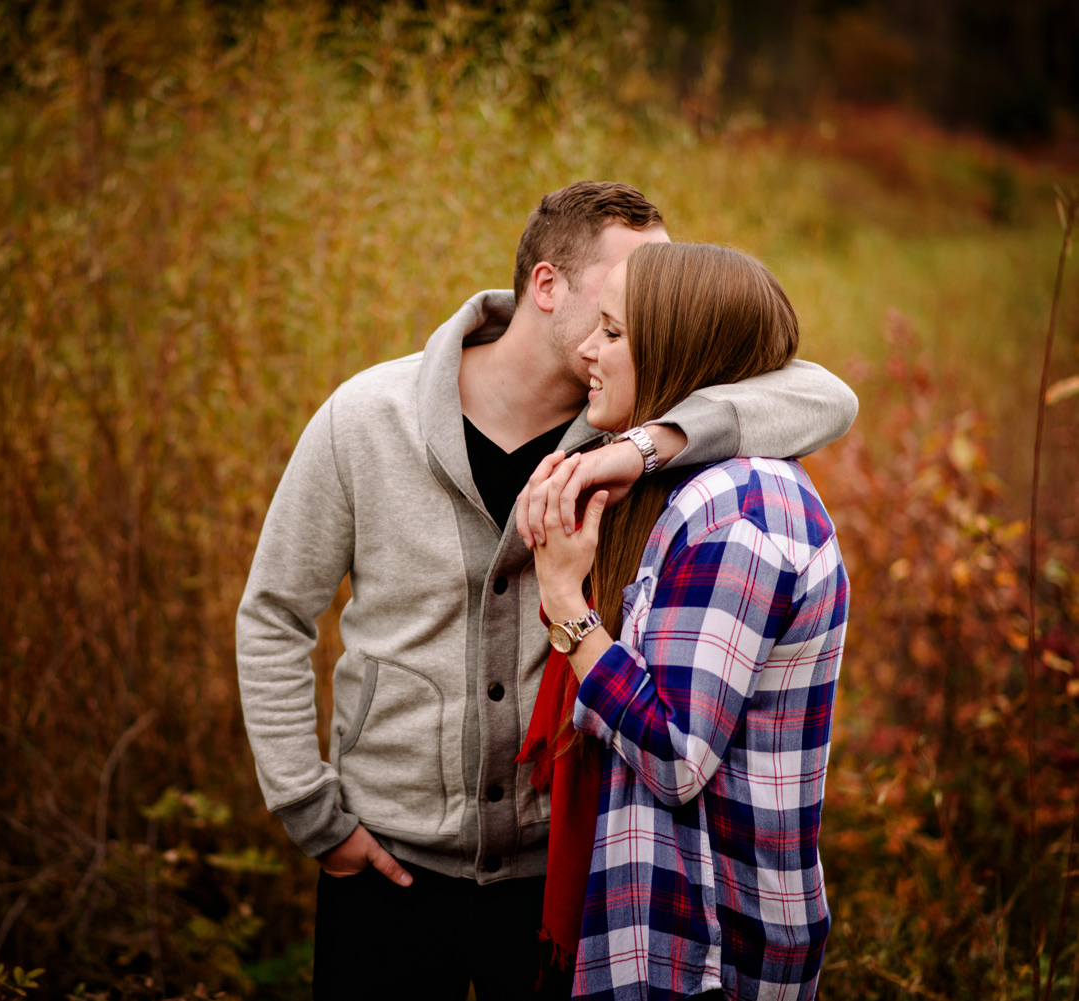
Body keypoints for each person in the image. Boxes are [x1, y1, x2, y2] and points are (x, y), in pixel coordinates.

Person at [235, 181, 857, 999]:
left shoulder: (631, 418)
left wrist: (644, 448)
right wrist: (312, 811)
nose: (652, 305)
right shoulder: (366, 418)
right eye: (627, 288)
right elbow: (275, 614)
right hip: (385, 861)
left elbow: (824, 395)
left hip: (559, 870)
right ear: (548, 286)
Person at [519, 242, 847, 1001]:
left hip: (710, 943)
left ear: (678, 350)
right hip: (668, 924)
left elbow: (674, 753)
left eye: (612, 331)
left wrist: (568, 605)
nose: (586, 350)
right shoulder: (690, 478)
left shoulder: (738, 512)